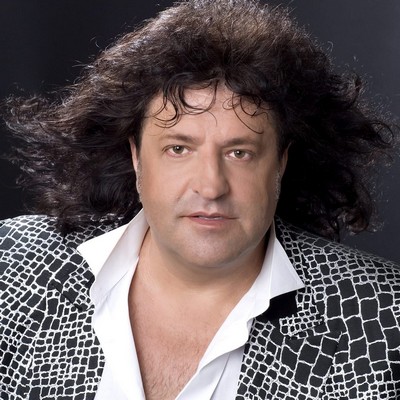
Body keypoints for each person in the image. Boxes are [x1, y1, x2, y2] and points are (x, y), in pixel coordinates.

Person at [1, 0, 400, 399]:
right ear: (136, 156)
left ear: (281, 162)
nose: (211, 187)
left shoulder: (383, 318)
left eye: (239, 153)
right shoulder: (13, 267)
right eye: (179, 149)